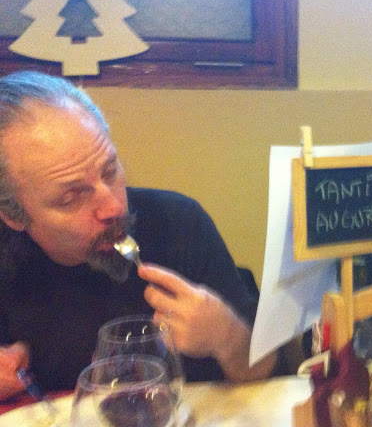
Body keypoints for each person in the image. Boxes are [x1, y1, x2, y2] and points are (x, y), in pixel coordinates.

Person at [0, 71, 278, 400]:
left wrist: (227, 337)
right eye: (71, 197)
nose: (114, 207)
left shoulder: (179, 222)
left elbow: (266, 372)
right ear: (13, 216)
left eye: (110, 171)